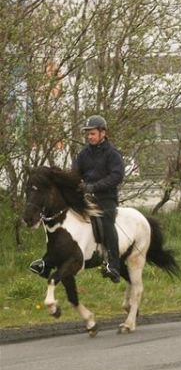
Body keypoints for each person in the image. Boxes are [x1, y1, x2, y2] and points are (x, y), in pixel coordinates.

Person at [30, 115, 125, 282]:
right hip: (86, 196)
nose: (89, 137)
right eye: (87, 134)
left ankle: (113, 265)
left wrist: (94, 187)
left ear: (103, 133)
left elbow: (117, 176)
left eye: (92, 133)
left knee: (107, 222)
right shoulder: (83, 154)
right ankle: (47, 262)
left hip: (105, 198)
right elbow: (75, 174)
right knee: (60, 219)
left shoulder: (112, 153)